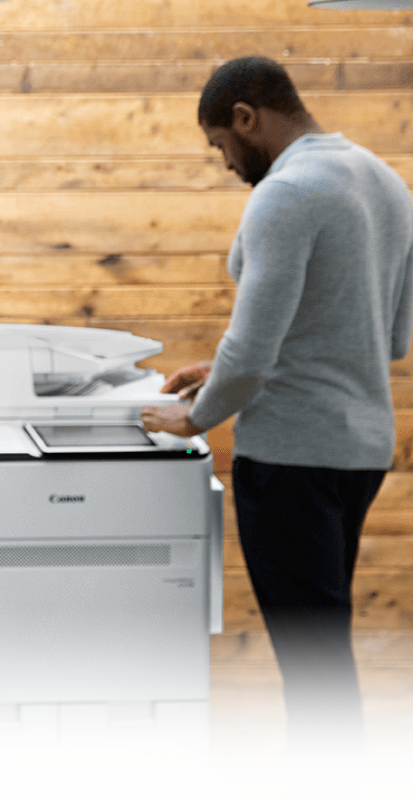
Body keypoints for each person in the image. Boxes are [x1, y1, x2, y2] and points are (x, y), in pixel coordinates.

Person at [142, 56, 413, 747]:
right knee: (322, 642)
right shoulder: (386, 182)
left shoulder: (287, 192)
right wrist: (224, 369)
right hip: (360, 449)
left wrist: (193, 417)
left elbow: (256, 349)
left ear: (245, 117)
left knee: (314, 662)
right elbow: (390, 336)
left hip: (291, 456)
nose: (226, 163)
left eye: (220, 146)